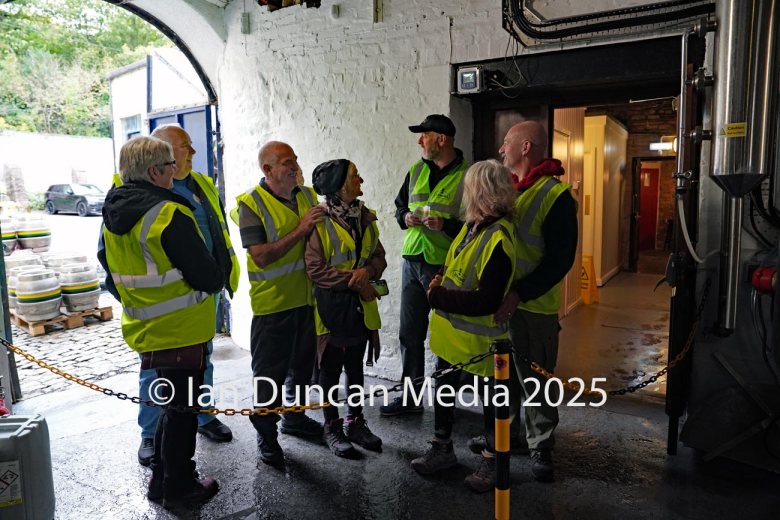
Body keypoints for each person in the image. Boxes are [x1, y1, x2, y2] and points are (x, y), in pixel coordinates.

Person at [99, 136, 222, 506]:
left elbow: (109, 272)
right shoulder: (169, 213)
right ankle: (181, 488)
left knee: (173, 409)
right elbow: (208, 277)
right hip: (182, 330)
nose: (175, 172)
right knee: (182, 413)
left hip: (146, 328)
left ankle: (163, 481)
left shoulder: (113, 212)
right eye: (170, 166)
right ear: (155, 171)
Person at [124, 124, 239, 467]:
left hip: (202, 294)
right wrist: (136, 295)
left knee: (202, 359)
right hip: (161, 302)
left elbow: (217, 230)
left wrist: (220, 277)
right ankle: (150, 432)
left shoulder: (201, 183)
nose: (192, 153)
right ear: (163, 155)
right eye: (185, 147)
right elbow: (109, 253)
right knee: (156, 371)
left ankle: (202, 416)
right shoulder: (132, 189)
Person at [410, 159, 517, 493]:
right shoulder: (474, 227)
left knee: (492, 405)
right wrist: (440, 276)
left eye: (469, 187)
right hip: (452, 340)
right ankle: (442, 449)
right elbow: (453, 260)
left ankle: (492, 461)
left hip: (481, 345)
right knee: (444, 391)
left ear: (481, 192)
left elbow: (486, 301)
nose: (464, 193)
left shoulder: (497, 237)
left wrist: (437, 297)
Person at [491, 120, 578, 483]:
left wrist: (519, 293)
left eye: (507, 143)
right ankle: (508, 435)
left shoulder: (555, 197)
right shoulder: (510, 191)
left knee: (537, 382)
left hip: (534, 308)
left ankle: (541, 444)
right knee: (504, 379)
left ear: (526, 147)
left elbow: (560, 260)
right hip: (502, 308)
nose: (501, 150)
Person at [235, 141, 325, 466]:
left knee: (302, 369)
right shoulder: (251, 203)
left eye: (296, 160)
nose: (295, 166)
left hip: (306, 301)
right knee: (269, 376)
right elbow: (260, 256)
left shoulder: (307, 195)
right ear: (268, 169)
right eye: (287, 162)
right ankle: (267, 435)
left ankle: (295, 419)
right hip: (273, 307)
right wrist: (301, 230)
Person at [381, 114, 469, 416]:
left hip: (446, 267)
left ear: (441, 139)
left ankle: (447, 404)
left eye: (424, 135)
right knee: (410, 334)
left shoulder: (468, 176)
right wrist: (405, 217)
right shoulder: (416, 169)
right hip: (412, 260)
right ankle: (410, 398)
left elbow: (476, 226)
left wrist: (446, 225)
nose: (420, 141)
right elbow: (399, 206)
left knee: (448, 336)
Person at [305, 159, 386, 458]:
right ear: (339, 185)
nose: (361, 180)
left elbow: (379, 257)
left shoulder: (364, 216)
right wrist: (354, 280)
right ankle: (332, 426)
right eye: (355, 176)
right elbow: (315, 268)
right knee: (330, 369)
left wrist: (369, 273)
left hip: (360, 305)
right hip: (331, 306)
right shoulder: (319, 220)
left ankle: (355, 422)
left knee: (355, 366)